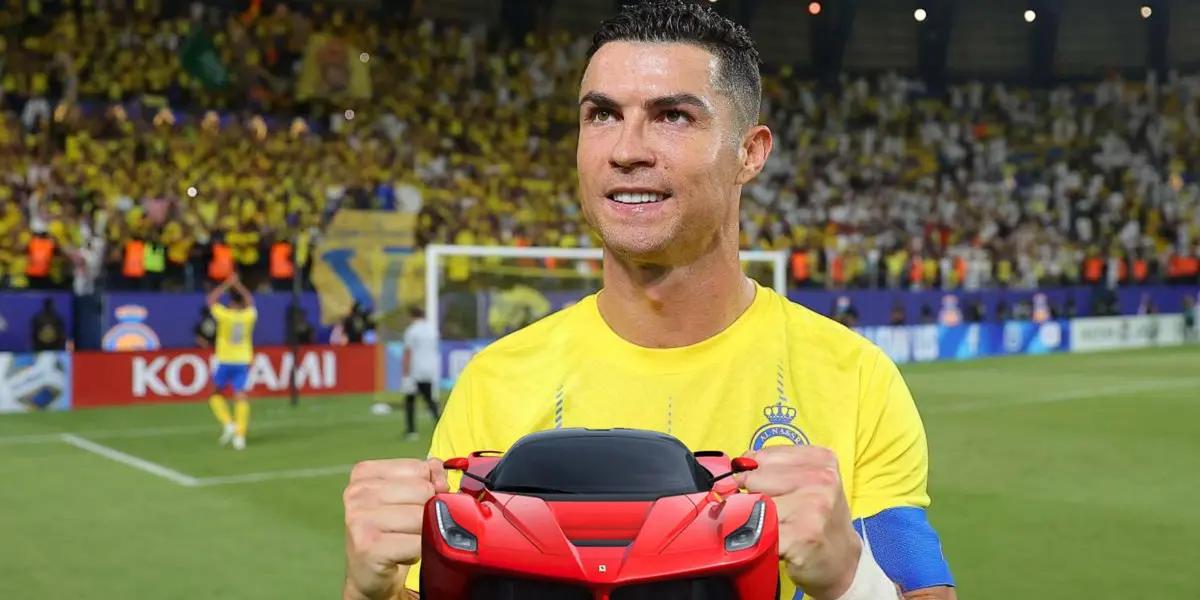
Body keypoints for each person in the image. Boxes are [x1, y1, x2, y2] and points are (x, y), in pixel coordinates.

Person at [342, 3, 956, 600]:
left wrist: (850, 580)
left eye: (673, 116)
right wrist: (369, 592)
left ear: (750, 153)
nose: (626, 149)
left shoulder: (855, 379)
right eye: (602, 115)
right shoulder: (496, 382)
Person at [370, 307, 442, 443]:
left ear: (412, 316)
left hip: (416, 369)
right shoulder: (432, 330)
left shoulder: (412, 331)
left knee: (410, 399)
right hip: (431, 368)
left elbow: (408, 352)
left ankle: (412, 431)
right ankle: (440, 426)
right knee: (429, 398)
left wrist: (405, 372)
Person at [205, 273, 257, 451]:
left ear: (232, 304)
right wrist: (239, 285)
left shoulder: (225, 315)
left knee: (215, 393)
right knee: (240, 395)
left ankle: (228, 423)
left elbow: (211, 300)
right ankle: (239, 436)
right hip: (242, 361)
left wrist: (227, 284)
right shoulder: (248, 317)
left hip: (225, 360)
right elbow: (251, 301)